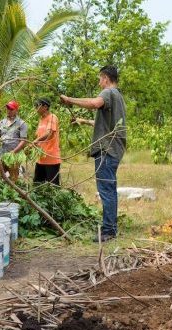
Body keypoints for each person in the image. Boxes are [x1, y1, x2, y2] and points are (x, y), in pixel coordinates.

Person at [60, 65, 127, 243]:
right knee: (109, 189)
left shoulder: (107, 93)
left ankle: (108, 230)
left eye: (100, 78)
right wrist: (83, 120)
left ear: (105, 78)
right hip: (114, 148)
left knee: (106, 190)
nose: (99, 82)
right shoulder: (118, 96)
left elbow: (93, 104)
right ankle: (110, 227)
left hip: (106, 148)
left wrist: (69, 100)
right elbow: (103, 121)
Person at [31, 98, 61, 185]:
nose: (36, 108)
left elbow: (49, 133)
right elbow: (39, 136)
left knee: (52, 186)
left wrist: (36, 140)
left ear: (45, 107)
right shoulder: (41, 120)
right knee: (37, 184)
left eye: (37, 105)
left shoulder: (52, 117)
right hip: (41, 158)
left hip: (51, 158)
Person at [0, 100, 28, 181]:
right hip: (1, 154)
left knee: (13, 178)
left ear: (16, 110)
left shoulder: (21, 123)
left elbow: (23, 140)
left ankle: (13, 191)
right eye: (7, 108)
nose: (9, 111)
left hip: (14, 155)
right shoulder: (1, 122)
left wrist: (13, 152)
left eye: (11, 109)